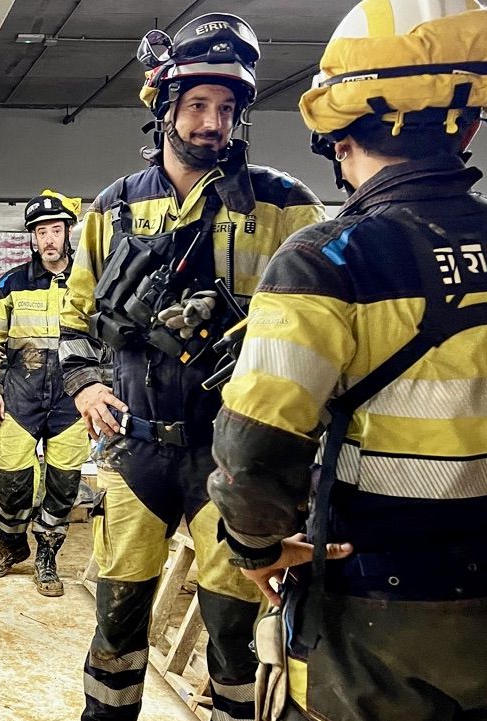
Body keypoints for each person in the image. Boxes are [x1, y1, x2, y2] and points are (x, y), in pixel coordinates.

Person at [208, 2, 487, 720]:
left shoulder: (324, 260)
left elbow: (254, 453)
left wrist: (252, 547)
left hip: (378, 612)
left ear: (340, 138)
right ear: (466, 125)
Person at [57, 13, 327, 721]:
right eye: (198, 105)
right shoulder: (115, 207)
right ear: (164, 108)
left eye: (227, 109)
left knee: (236, 636)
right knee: (117, 625)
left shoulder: (287, 205)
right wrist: (85, 383)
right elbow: (72, 318)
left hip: (235, 456)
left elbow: (327, 328)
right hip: (135, 448)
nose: (213, 123)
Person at [0, 190, 91, 597]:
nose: (48, 239)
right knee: (12, 481)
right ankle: (10, 546)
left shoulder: (88, 280)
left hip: (72, 399)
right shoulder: (10, 283)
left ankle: (47, 556)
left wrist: (103, 392)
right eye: (41, 231)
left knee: (64, 483)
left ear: (67, 232)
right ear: (32, 237)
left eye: (55, 230)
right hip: (21, 397)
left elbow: (109, 342)